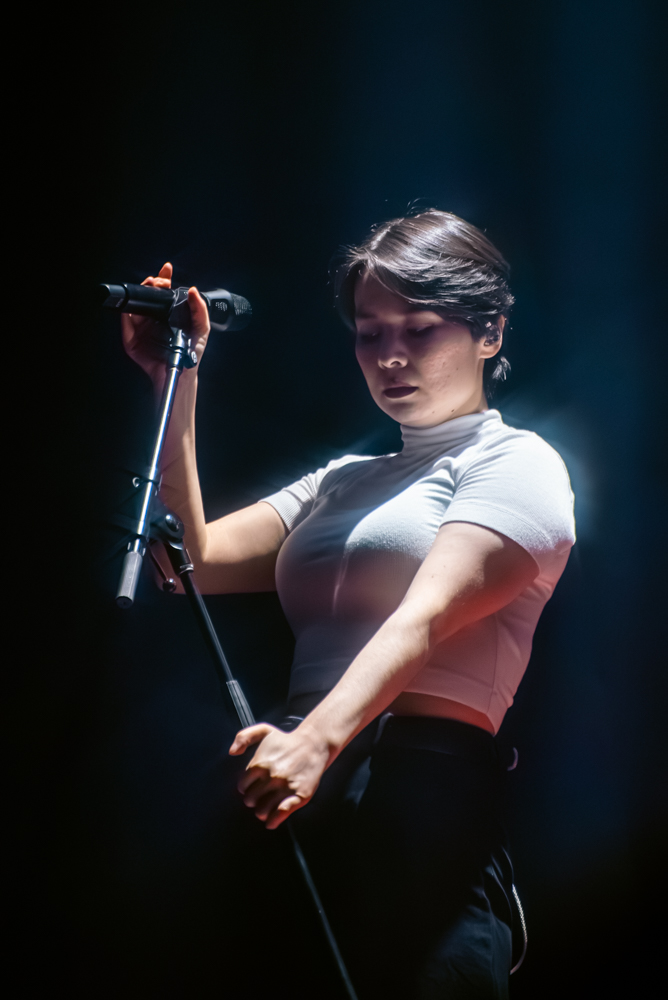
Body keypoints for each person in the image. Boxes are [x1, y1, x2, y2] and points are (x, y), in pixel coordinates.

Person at [122, 209, 575, 999]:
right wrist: (177, 376)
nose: (390, 355)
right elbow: (187, 560)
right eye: (370, 333)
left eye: (420, 329)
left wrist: (316, 743)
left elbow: (427, 616)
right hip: (298, 782)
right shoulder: (341, 481)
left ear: (490, 332)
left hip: (413, 787)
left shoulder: (516, 461)